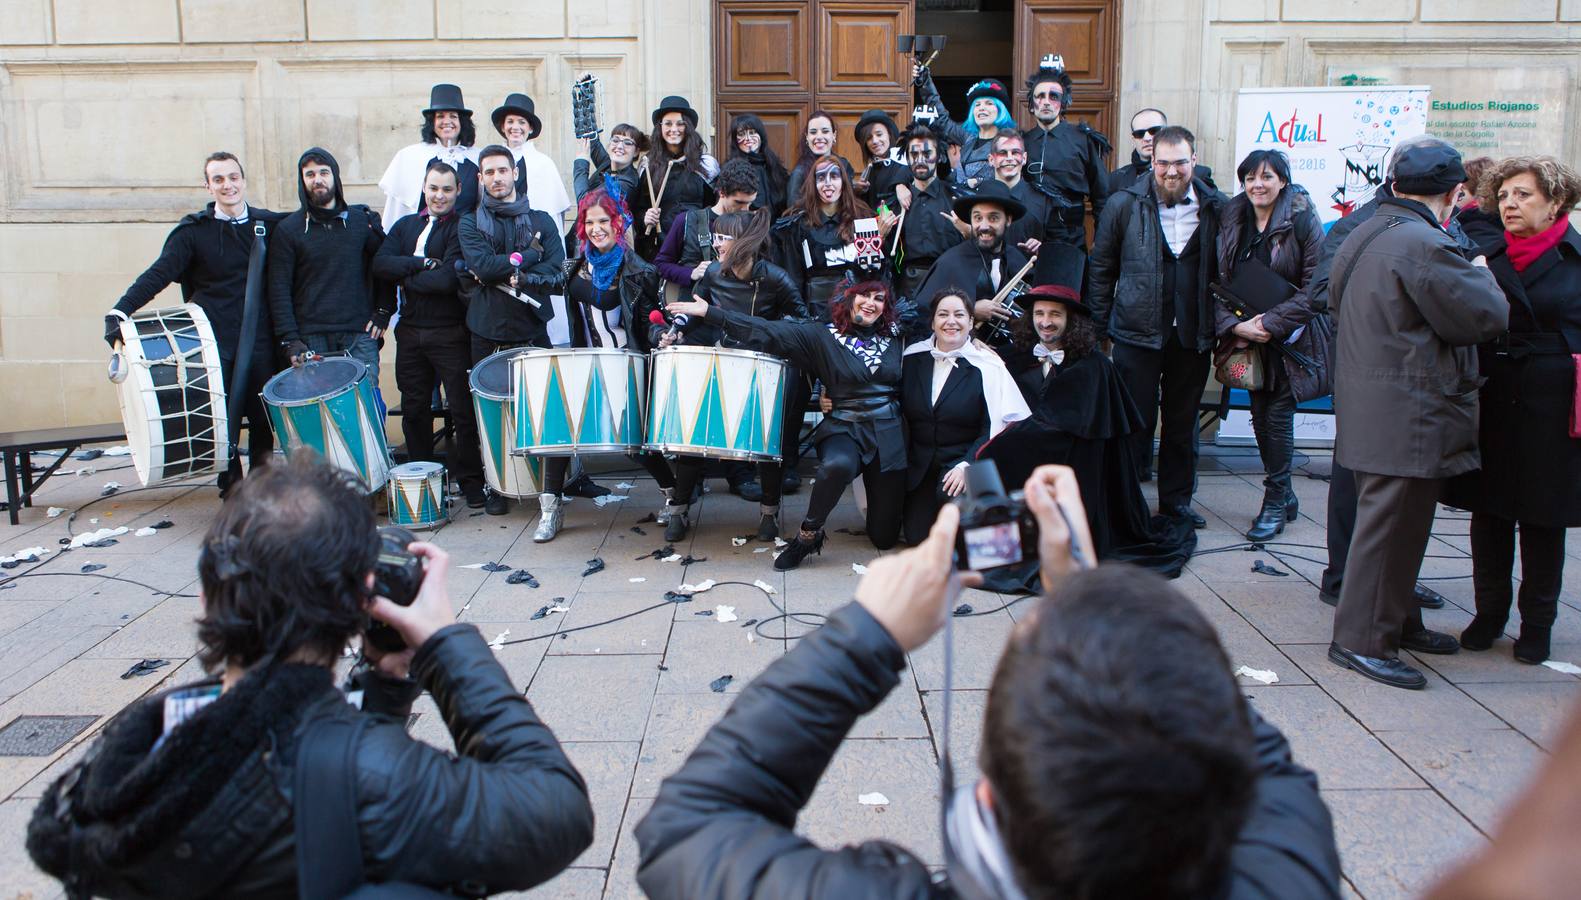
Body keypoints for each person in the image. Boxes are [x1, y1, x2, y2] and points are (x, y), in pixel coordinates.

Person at [634, 464, 1340, 900]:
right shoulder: (1285, 878)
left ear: (987, 797)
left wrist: (866, 636)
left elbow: (686, 830)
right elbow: (1264, 764)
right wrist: (1090, 600)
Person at [26, 453, 594, 898]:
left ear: (205, 599)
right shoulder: (370, 777)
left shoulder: (135, 756)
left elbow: (333, 791)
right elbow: (556, 811)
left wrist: (388, 689)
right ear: (359, 604)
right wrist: (443, 643)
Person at [1326, 142, 1508, 690]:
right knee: (1390, 531)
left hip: (1375, 404)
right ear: (1455, 194)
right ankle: (1360, 641)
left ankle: (1399, 622)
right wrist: (1477, 263)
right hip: (1408, 410)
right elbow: (1488, 313)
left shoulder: (1366, 228)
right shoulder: (1426, 243)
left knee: (1395, 529)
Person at [1309, 134, 1472, 613]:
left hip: (1416, 375)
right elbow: (1322, 289)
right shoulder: (1363, 224)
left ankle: (1393, 580)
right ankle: (1343, 577)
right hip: (1370, 371)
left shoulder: (1435, 224)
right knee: (1353, 480)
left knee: (1400, 496)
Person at [983, 244, 1196, 579]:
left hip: (1079, 469)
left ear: (1071, 320)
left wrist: (996, 445)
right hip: (1031, 463)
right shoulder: (1018, 356)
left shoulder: (1093, 367)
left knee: (997, 453)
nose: (1046, 322)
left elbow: (1059, 424)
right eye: (1039, 314)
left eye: (1055, 314)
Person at [1444, 156, 1581, 665]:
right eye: (1503, 196)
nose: (1510, 205)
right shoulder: (1486, 255)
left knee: (1545, 516)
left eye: (1523, 195)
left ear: (1556, 201)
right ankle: (1489, 613)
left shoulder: (1576, 259)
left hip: (1552, 402)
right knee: (1491, 510)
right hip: (1496, 392)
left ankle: (1538, 623)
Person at [666, 281, 906, 568]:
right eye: (863, 296)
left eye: (878, 298)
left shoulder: (897, 335)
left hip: (888, 433)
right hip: (846, 427)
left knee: (884, 538)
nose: (871, 303)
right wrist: (712, 313)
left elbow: (945, 328)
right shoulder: (822, 335)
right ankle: (807, 536)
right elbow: (767, 330)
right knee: (837, 465)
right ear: (848, 298)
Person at [105, 151, 285, 497]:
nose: (227, 185)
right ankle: (231, 488)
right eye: (218, 179)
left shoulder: (270, 226)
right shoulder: (193, 233)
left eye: (233, 177)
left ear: (243, 180)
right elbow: (160, 273)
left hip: (260, 338)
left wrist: (356, 216)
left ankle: (263, 488)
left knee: (263, 418)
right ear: (208, 186)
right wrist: (121, 309)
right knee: (222, 419)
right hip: (211, 343)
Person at [1089, 125, 1225, 526]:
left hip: (1192, 335)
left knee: (1183, 424)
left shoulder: (1216, 207)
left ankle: (1177, 503)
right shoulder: (1123, 205)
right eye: (1163, 162)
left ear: (1193, 162)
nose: (1171, 171)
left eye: (1180, 162)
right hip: (1135, 332)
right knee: (1135, 423)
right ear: (1152, 162)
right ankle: (1128, 504)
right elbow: (1102, 270)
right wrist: (1098, 332)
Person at [531, 189, 681, 541]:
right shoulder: (574, 267)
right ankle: (550, 510)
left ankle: (675, 499)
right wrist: (521, 278)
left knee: (636, 445)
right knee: (559, 437)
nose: (597, 228)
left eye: (603, 221)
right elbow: (550, 282)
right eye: (590, 222)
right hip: (583, 359)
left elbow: (647, 319)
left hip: (624, 362)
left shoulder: (638, 270)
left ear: (617, 224)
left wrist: (660, 334)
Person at [657, 208, 808, 543]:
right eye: (715, 236)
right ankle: (679, 509)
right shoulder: (712, 272)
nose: (716, 243)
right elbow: (694, 311)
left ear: (744, 242)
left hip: (764, 369)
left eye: (722, 237)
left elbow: (803, 321)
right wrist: (676, 331)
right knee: (694, 439)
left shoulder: (775, 278)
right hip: (724, 363)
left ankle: (769, 513)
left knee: (768, 445)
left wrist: (770, 332)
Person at [1213, 149, 1323, 541]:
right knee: (1260, 418)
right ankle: (1286, 493)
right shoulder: (1231, 218)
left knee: (1276, 417)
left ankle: (1275, 499)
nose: (1258, 185)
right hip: (1246, 338)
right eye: (1250, 178)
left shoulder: (1303, 221)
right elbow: (1214, 283)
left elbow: (1317, 287)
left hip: (1287, 337)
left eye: (1267, 177)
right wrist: (1236, 327)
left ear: (1283, 180)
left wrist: (1271, 324)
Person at [371, 161, 487, 512]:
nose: (440, 195)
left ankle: (470, 481)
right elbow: (380, 264)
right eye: (434, 188)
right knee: (414, 409)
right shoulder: (406, 225)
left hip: (450, 333)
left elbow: (446, 281)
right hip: (409, 333)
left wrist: (403, 272)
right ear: (424, 188)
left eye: (447, 189)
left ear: (457, 192)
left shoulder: (461, 229)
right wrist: (420, 264)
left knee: (463, 411)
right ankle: (421, 480)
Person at [898, 288, 1029, 544]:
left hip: (962, 461)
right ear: (933, 321)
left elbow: (995, 427)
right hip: (920, 464)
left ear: (971, 322)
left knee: (961, 536)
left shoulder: (987, 365)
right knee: (917, 540)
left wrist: (966, 464)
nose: (951, 321)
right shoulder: (912, 358)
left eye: (959, 315)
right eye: (943, 314)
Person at [268, 147, 389, 379]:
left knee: (365, 407)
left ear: (335, 176)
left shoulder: (362, 222)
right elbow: (278, 289)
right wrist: (290, 339)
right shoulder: (288, 229)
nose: (318, 180)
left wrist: (383, 310)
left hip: (359, 334)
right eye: (310, 175)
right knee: (317, 411)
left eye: (324, 172)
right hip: (310, 337)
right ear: (302, 181)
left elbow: (383, 268)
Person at [913, 181, 1031, 348]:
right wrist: (970, 311)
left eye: (993, 218)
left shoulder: (1017, 259)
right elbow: (923, 315)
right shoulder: (950, 262)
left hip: (1011, 359)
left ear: (1008, 220)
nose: (983, 226)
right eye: (977, 217)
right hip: (963, 359)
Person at [773, 155, 895, 318]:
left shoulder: (863, 218)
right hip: (813, 315)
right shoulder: (798, 225)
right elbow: (793, 279)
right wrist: (801, 319)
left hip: (854, 315)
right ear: (814, 184)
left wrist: (877, 238)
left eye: (834, 176)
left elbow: (873, 275)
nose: (828, 183)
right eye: (821, 177)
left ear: (844, 182)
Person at [1019, 57, 1112, 249]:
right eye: (1040, 96)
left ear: (1063, 103)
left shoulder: (1082, 139)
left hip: (1070, 237)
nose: (1046, 102)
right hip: (1028, 236)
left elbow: (1101, 195)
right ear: (1031, 103)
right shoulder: (1022, 142)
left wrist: (1102, 240)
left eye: (1053, 96)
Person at [654, 157, 759, 302]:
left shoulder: (753, 224)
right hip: (694, 309)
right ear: (722, 193)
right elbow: (661, 264)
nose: (746, 210)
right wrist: (691, 273)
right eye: (739, 202)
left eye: (750, 203)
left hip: (736, 309)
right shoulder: (687, 220)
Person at [378, 83, 479, 225]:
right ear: (433, 122)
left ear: (462, 122)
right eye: (440, 116)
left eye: (453, 116)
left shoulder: (477, 158)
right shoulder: (410, 156)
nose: (447, 121)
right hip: (423, 234)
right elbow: (398, 210)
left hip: (464, 235)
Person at [632, 96, 718, 261]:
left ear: (689, 127)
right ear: (660, 127)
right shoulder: (648, 165)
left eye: (680, 123)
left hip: (695, 247)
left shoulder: (705, 165)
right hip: (657, 247)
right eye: (668, 123)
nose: (674, 129)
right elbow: (637, 208)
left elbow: (714, 207)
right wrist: (645, 217)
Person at [889, 124, 963, 305]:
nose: (920, 160)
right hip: (906, 295)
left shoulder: (957, 201)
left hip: (949, 289)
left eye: (927, 154)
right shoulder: (894, 204)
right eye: (914, 155)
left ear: (938, 156)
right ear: (907, 158)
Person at [915, 67, 1013, 190]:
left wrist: (979, 182)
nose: (981, 108)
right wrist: (925, 81)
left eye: (989, 103)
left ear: (1000, 110)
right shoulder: (968, 137)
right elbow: (942, 120)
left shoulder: (1008, 143)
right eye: (977, 104)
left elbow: (1011, 179)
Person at [1107, 108, 1217, 195]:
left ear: (1166, 132)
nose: (1147, 138)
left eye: (1153, 131)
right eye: (1139, 134)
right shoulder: (1116, 179)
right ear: (1133, 139)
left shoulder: (1198, 174)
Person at [988, 129, 1049, 254]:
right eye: (1003, 153)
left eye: (1015, 152)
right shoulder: (979, 198)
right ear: (991, 160)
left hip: (1030, 271)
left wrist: (1041, 249)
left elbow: (1056, 247)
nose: (1009, 158)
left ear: (1024, 158)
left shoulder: (1042, 200)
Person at [727, 113, 790, 217]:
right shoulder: (732, 169)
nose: (747, 138)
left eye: (752, 133)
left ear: (761, 135)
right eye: (741, 134)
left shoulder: (773, 164)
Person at [785, 110, 854, 206]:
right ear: (807, 137)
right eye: (813, 132)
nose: (819, 137)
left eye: (825, 131)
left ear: (834, 136)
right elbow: (793, 211)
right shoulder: (799, 173)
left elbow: (850, 203)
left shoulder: (844, 165)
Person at [573, 122, 648, 206]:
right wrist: (589, 129)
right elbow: (595, 146)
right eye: (615, 140)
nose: (619, 146)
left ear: (636, 152)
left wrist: (581, 162)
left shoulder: (627, 184)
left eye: (627, 143)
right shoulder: (609, 165)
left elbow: (585, 205)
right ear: (609, 144)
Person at [852, 108, 909, 212]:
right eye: (869, 138)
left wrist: (901, 184)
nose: (875, 141)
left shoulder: (906, 161)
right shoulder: (868, 172)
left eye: (879, 134)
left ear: (889, 134)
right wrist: (857, 191)